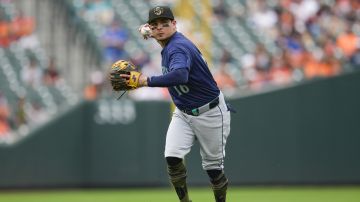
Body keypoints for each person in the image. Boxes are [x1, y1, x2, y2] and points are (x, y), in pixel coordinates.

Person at [124, 6, 231, 202]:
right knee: (172, 157)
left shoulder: (177, 47)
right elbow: (155, 31)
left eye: (165, 24)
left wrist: (145, 81)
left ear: (175, 25)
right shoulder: (166, 41)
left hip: (211, 112)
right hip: (184, 113)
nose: (160, 28)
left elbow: (181, 75)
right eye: (155, 26)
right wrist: (150, 31)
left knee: (213, 169)